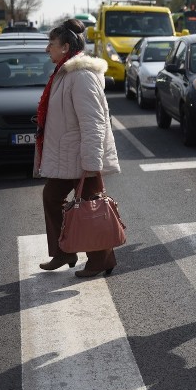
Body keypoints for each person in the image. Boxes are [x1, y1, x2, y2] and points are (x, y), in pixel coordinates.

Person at [36, 19, 121, 277]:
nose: (47, 49)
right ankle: (64, 251)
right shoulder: (65, 73)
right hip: (68, 155)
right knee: (53, 198)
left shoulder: (81, 75)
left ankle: (101, 259)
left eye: (51, 44)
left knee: (93, 208)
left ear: (65, 47)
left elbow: (94, 121)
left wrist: (92, 162)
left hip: (82, 157)